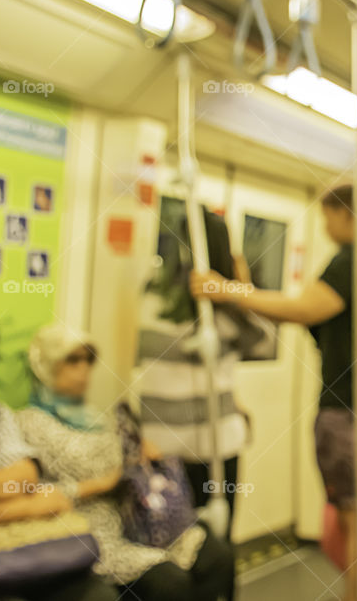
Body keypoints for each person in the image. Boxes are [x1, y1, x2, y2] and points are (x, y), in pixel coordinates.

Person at [189, 184, 357, 601]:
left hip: (349, 406)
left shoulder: (352, 261)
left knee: (353, 515)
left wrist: (225, 290)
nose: (325, 227)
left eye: (327, 217)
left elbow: (303, 309)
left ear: (344, 214)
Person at [19, 324, 235, 601]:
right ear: (46, 366)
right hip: (88, 531)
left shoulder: (97, 416)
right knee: (170, 583)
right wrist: (99, 484)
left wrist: (141, 458)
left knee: (219, 557)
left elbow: (126, 465)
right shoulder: (29, 424)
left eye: (88, 360)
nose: (83, 369)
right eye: (72, 360)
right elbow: (31, 494)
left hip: (135, 519)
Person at [0, 307, 120, 601]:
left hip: (36, 553)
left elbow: (28, 477)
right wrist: (30, 501)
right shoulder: (32, 419)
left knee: (100, 596)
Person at [136, 207, 263, 521]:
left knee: (171, 541)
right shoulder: (225, 311)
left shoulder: (151, 297)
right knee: (214, 545)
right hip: (213, 444)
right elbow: (263, 341)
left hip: (160, 442)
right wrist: (239, 288)